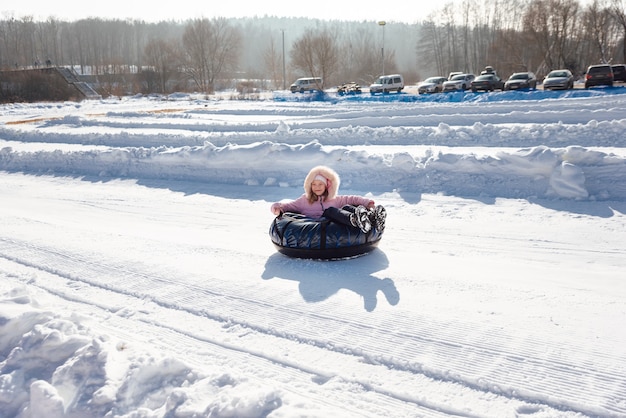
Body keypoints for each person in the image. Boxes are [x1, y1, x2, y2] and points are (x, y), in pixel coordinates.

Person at [270, 165, 386, 233]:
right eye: (314, 185)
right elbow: (287, 207)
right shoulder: (304, 200)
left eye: (320, 184)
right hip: (316, 227)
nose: (317, 187)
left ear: (326, 186)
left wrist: (368, 203)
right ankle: (354, 219)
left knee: (346, 206)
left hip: (334, 225)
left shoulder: (333, 199)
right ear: (309, 186)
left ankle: (371, 218)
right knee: (329, 211)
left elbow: (351, 198)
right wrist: (276, 208)